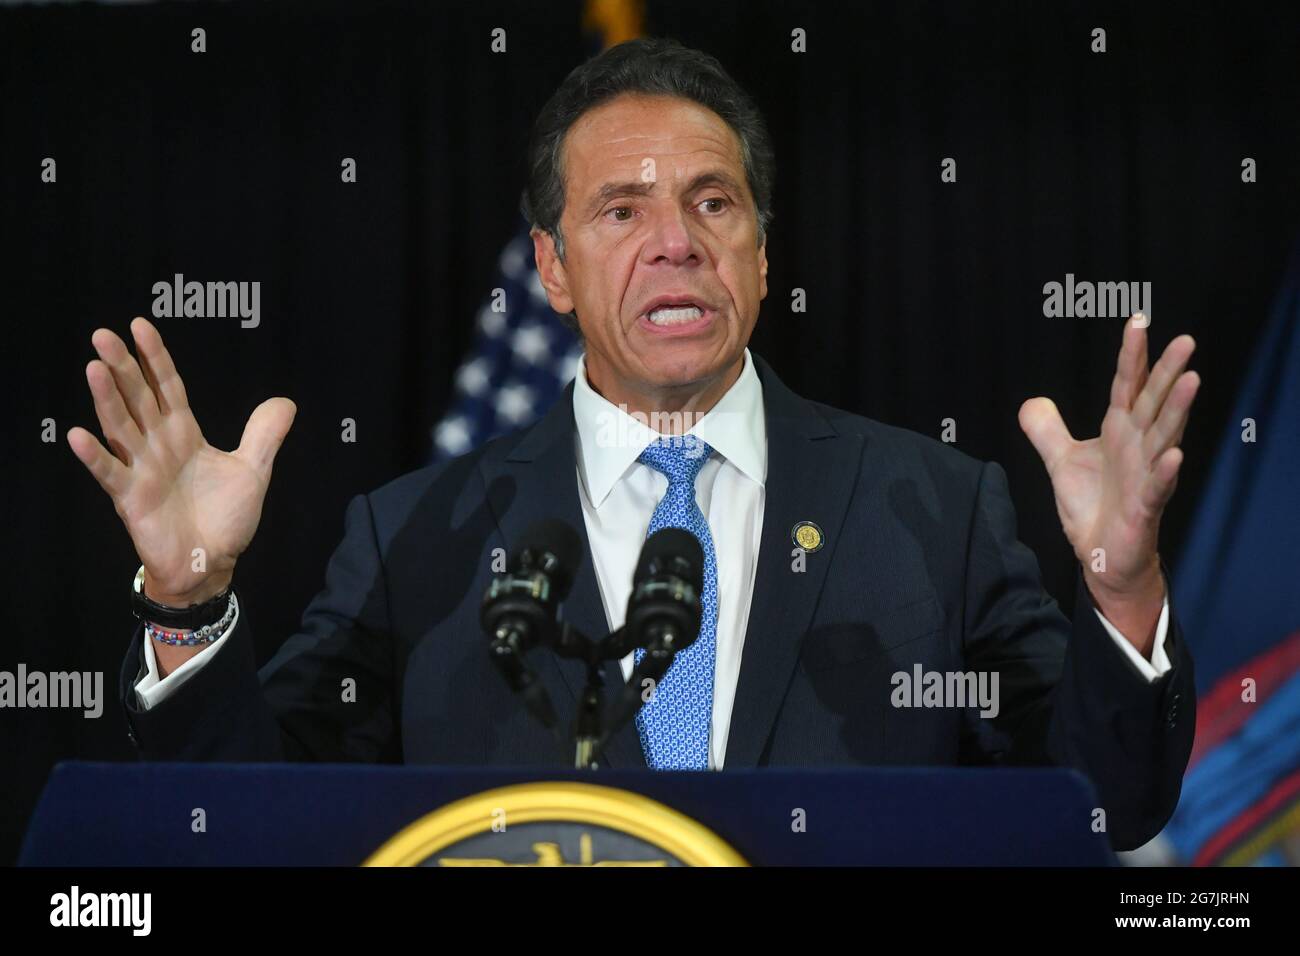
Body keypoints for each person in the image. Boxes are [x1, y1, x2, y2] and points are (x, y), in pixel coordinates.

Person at [68, 38, 1198, 850]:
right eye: (622, 210)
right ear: (551, 267)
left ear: (762, 255)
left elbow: (1106, 806)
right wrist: (187, 599)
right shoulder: (417, 537)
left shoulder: (933, 508)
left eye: (714, 204)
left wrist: (1123, 583)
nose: (675, 242)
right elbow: (245, 823)